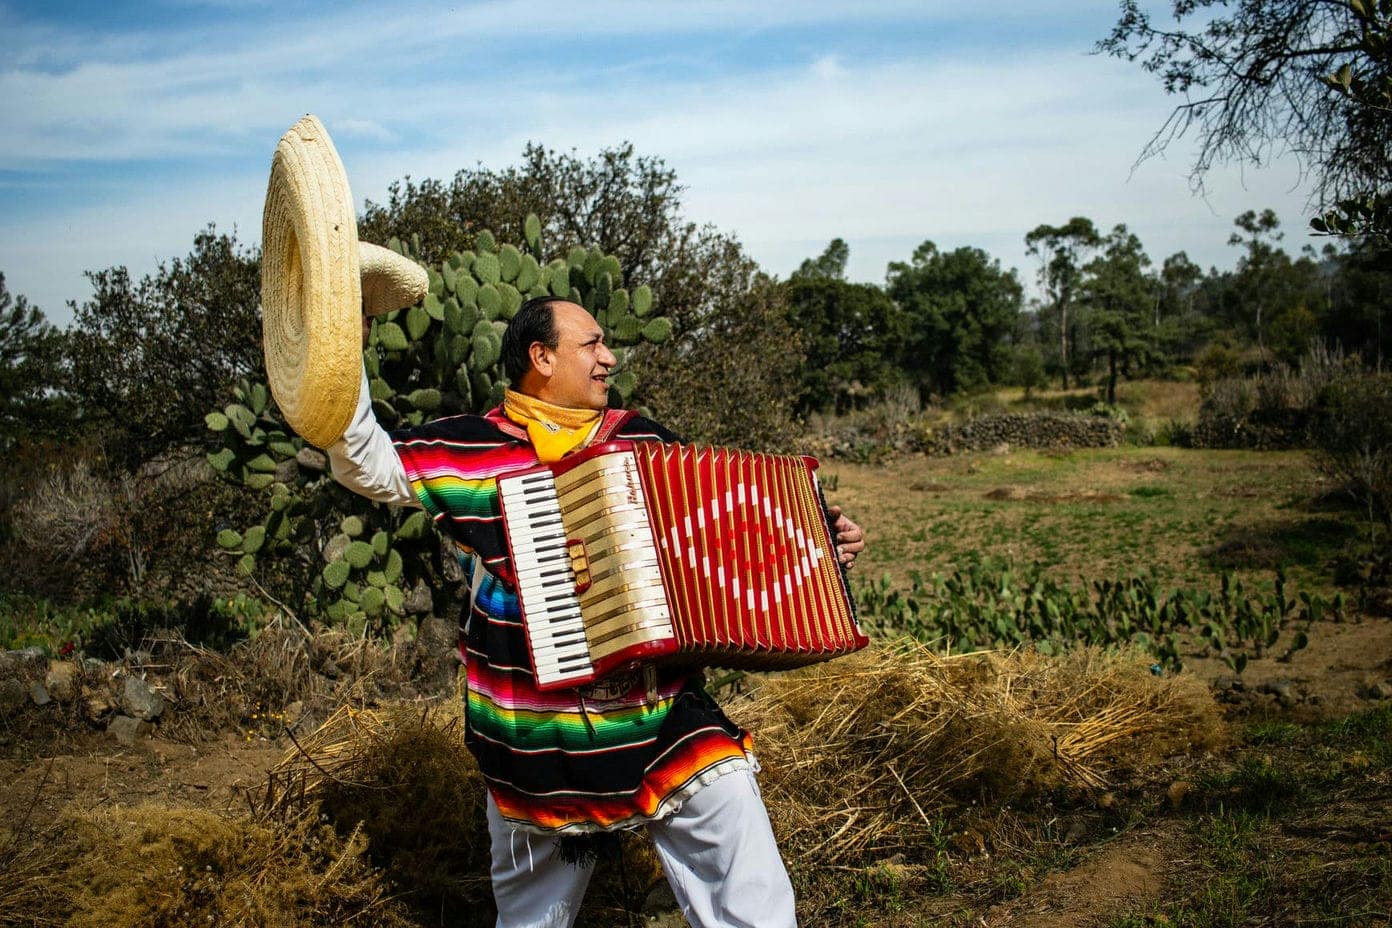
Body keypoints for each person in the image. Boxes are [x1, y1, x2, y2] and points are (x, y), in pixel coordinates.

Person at [327, 296, 865, 928]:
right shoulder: (471, 448)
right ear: (542, 357)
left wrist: (817, 544)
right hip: (537, 733)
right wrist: (344, 338)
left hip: (658, 710)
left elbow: (717, 531)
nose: (609, 357)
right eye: (592, 344)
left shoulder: (641, 439)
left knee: (741, 851)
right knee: (534, 918)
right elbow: (361, 456)